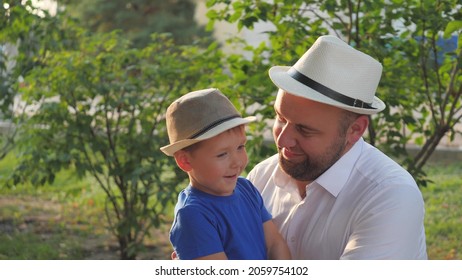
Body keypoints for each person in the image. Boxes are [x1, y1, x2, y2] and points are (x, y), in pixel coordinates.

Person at [247, 35, 427, 259]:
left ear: (355, 130)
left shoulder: (390, 196)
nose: (283, 141)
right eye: (281, 118)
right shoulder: (261, 177)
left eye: (305, 130)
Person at [160, 88, 291, 260]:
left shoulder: (246, 189)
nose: (237, 162)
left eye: (240, 147)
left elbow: (275, 243)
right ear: (185, 161)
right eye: (222, 154)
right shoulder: (193, 216)